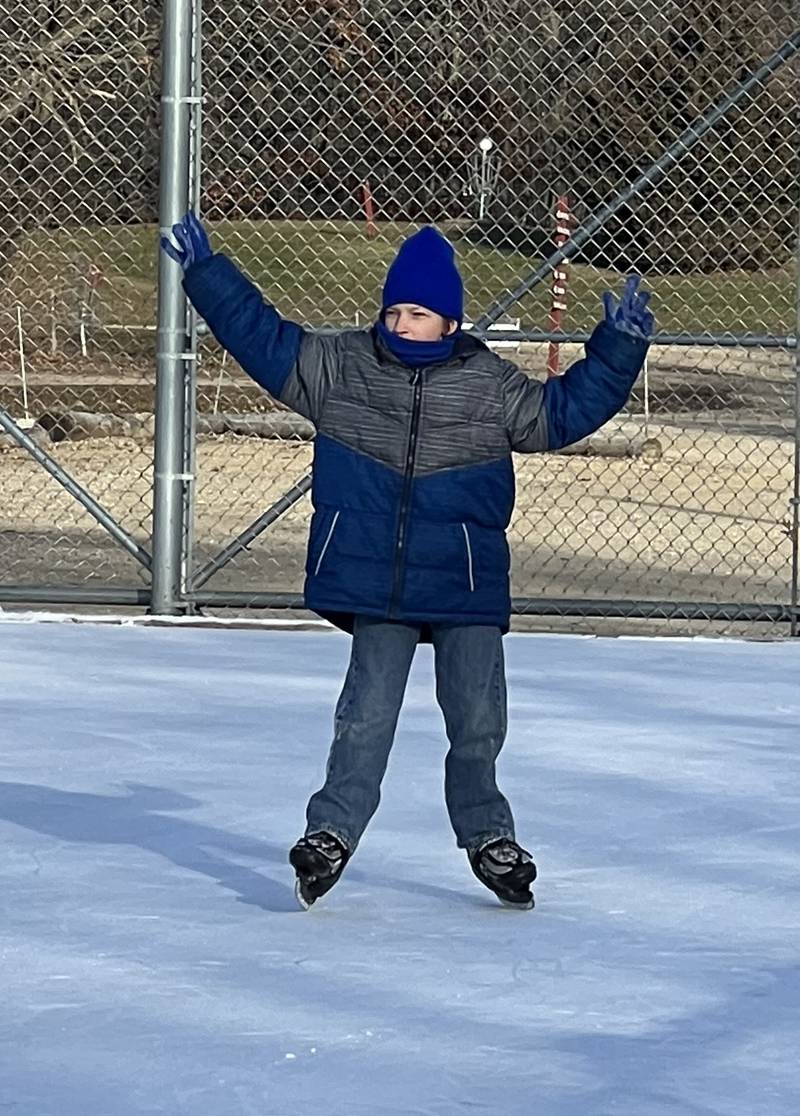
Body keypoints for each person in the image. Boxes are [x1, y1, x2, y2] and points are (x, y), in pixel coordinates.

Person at [161, 214, 653, 910]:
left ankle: (488, 837)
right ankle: (329, 833)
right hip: (376, 580)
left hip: (464, 581)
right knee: (365, 715)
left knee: (478, 719)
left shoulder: (489, 386)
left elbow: (562, 413)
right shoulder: (341, 368)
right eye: (393, 310)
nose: (401, 323)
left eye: (418, 313)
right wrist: (209, 276)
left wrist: (618, 348)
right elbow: (262, 338)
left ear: (450, 323)